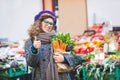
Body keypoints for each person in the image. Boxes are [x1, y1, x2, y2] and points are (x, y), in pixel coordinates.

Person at [24, 10, 75, 80]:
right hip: (41, 77)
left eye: (51, 23)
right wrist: (34, 49)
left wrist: (64, 59)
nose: (49, 25)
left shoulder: (58, 38)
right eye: (46, 22)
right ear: (39, 23)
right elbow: (31, 63)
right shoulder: (30, 41)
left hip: (61, 77)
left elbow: (73, 57)